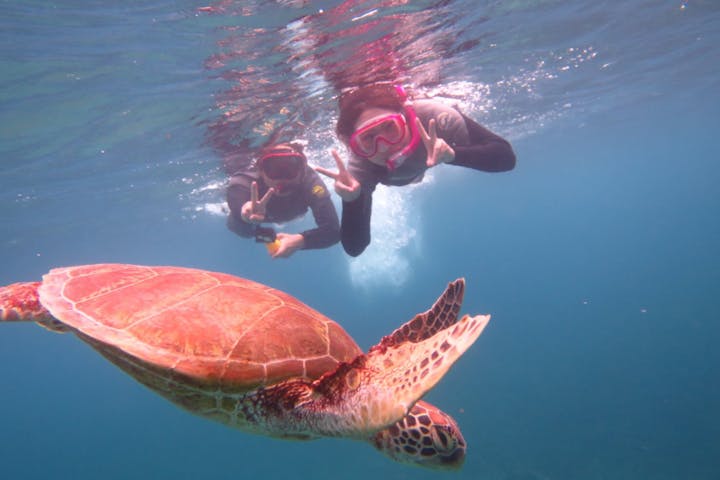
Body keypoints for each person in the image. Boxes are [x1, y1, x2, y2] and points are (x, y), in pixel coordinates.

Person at [316, 83, 516, 257]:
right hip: (395, 177)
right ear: (356, 146)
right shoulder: (361, 166)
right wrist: (351, 201)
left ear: (406, 118)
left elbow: (506, 158)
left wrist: (454, 154)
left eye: (390, 127)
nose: (385, 145)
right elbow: (355, 247)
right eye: (369, 138)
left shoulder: (434, 119)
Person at [226, 142, 340, 258]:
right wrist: (244, 211)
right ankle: (254, 229)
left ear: (302, 171)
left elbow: (333, 231)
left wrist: (301, 241)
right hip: (255, 221)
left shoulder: (311, 183)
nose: (282, 179)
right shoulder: (247, 180)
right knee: (239, 227)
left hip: (287, 213)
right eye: (273, 169)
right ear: (261, 171)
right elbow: (237, 189)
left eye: (290, 168)